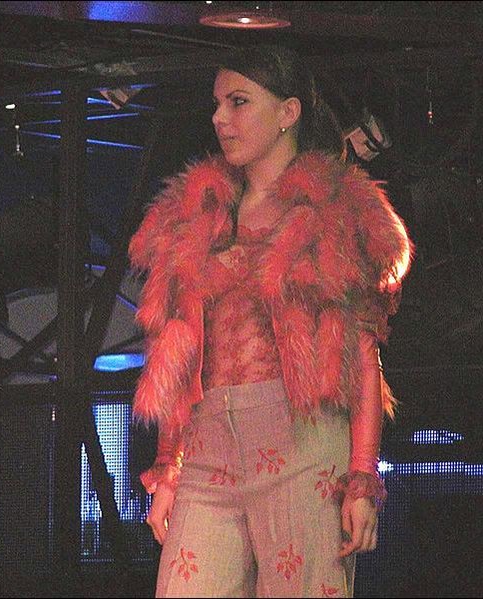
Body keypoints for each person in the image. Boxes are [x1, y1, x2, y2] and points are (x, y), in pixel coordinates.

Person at [128, 45, 412, 598]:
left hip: (301, 442)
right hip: (208, 446)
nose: (220, 118)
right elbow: (178, 354)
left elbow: (361, 352)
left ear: (288, 112)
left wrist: (361, 476)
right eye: (217, 103)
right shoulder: (196, 212)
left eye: (238, 102)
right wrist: (167, 466)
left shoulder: (335, 209)